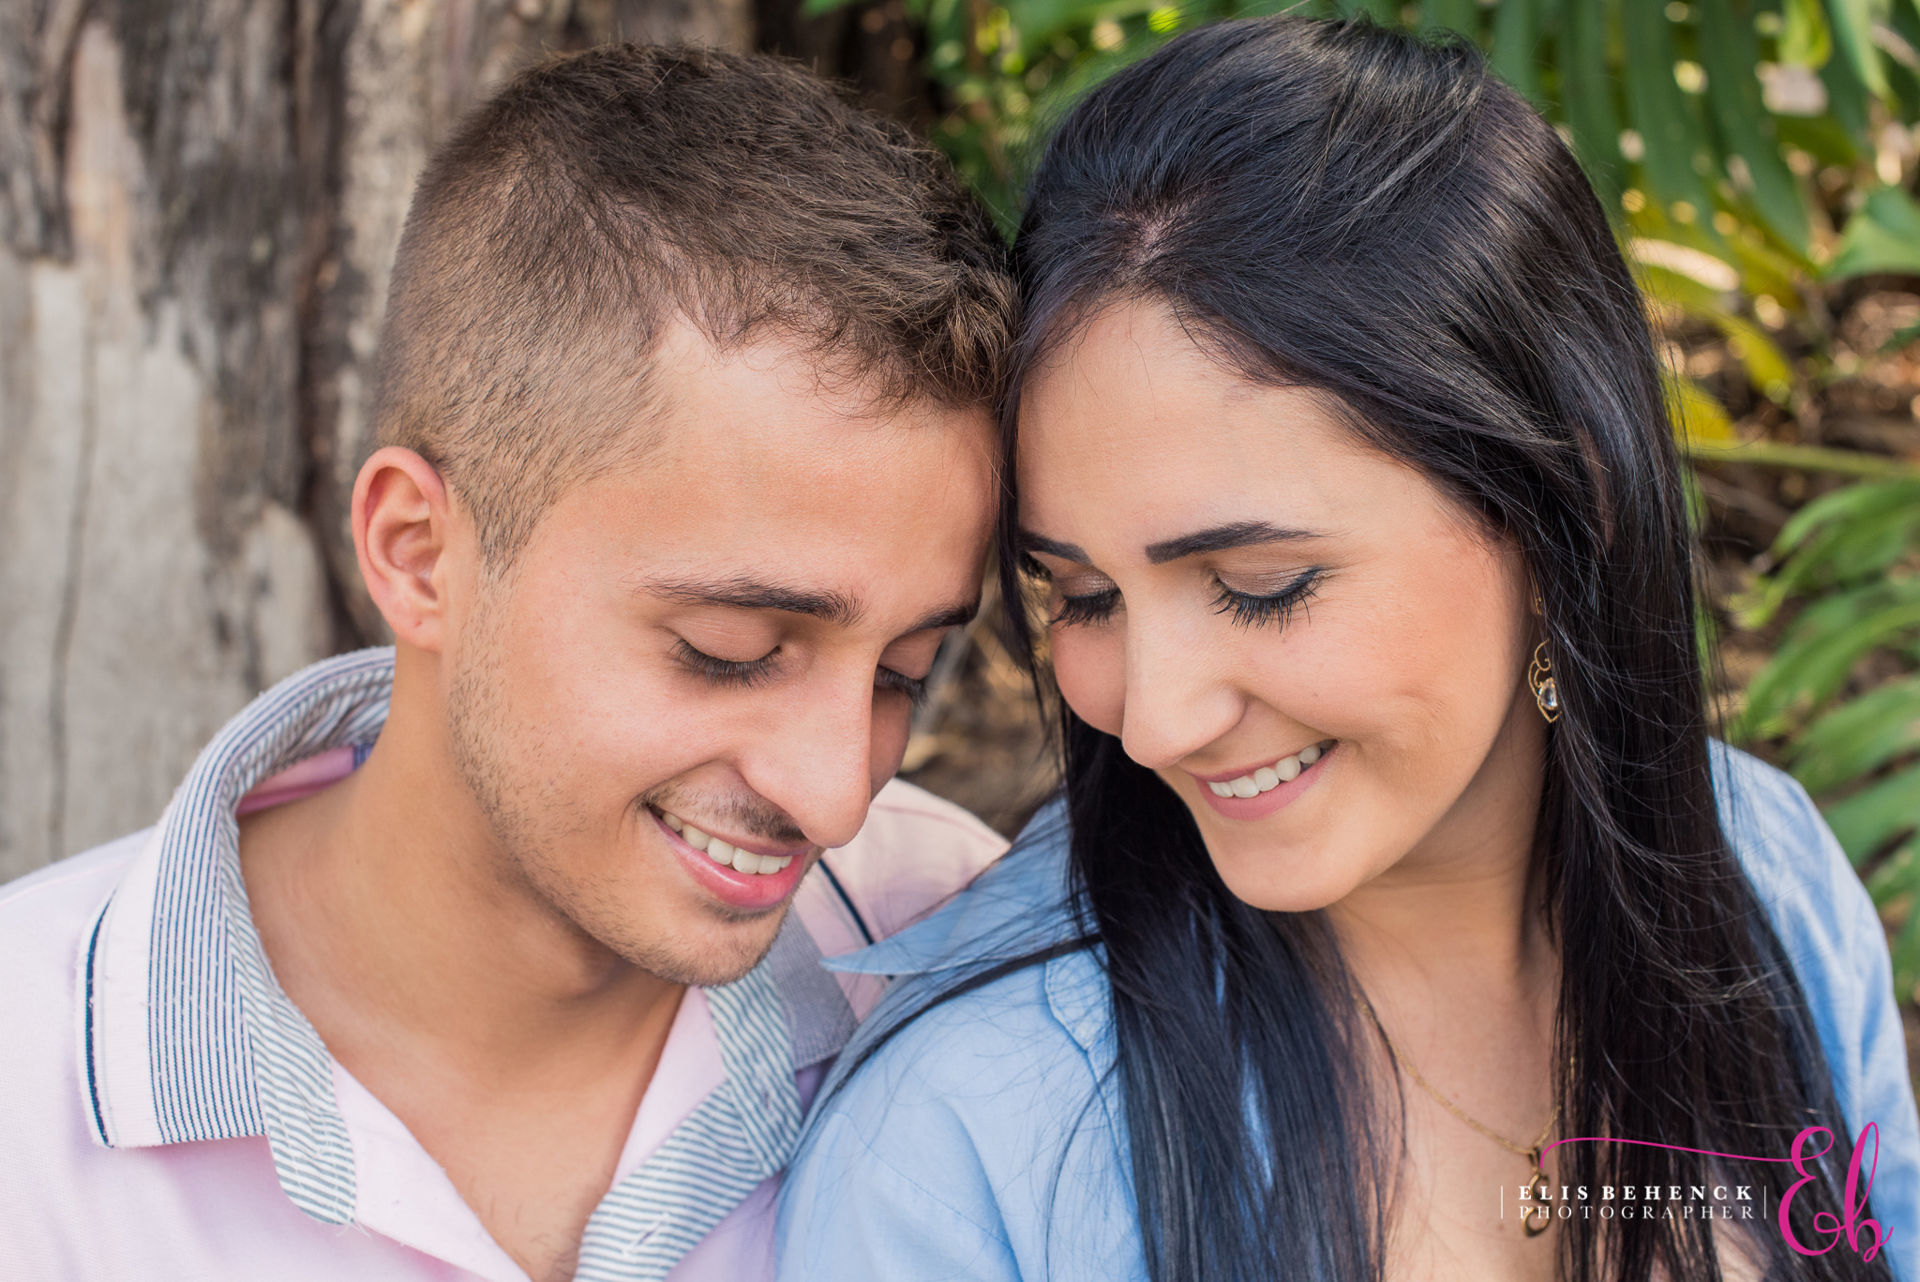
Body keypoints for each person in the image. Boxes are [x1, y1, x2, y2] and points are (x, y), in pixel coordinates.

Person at [777, 17, 1919, 1282]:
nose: (1153, 722)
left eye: (1261, 586)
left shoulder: (1769, 883)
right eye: (1082, 596)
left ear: (1569, 512)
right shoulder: (964, 1142)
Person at [0, 45, 1017, 1282]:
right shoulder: (24, 1106)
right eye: (730, 652)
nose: (838, 795)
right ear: (419, 553)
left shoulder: (959, 944)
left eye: (905, 670)